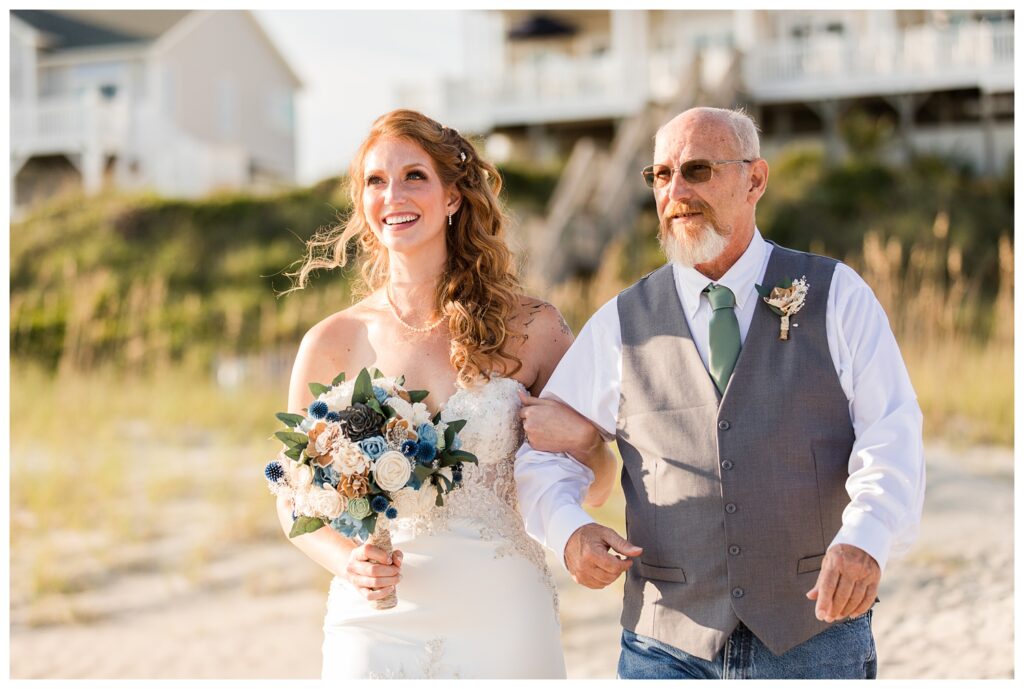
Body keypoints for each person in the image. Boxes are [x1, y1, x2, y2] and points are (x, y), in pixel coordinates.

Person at [514, 106, 925, 679]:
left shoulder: (837, 296)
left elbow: (893, 434)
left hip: (813, 636)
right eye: (660, 175)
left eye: (698, 170)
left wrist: (867, 538)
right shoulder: (621, 321)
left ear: (754, 180)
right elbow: (541, 449)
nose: (676, 191)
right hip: (663, 646)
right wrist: (569, 531)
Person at [276, 109, 616, 679]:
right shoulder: (333, 342)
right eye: (376, 181)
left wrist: (586, 442)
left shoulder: (532, 329)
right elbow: (290, 500)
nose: (393, 195)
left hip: (505, 613)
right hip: (375, 621)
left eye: (414, 176)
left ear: (454, 197)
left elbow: (599, 486)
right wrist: (349, 563)